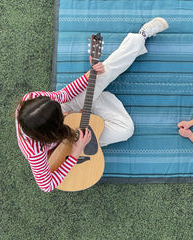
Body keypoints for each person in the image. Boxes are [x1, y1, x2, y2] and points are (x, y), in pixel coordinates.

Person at [15, 18, 169, 192]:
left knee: (103, 72)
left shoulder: (33, 99)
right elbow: (46, 185)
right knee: (126, 129)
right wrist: (76, 151)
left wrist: (89, 75)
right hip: (63, 143)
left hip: (65, 111)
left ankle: (140, 37)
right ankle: (97, 100)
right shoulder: (34, 151)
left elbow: (63, 96)